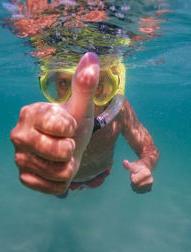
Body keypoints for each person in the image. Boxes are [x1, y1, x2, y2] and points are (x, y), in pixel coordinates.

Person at [10, 52, 159, 197]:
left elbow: (148, 149)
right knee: (58, 189)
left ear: (110, 86)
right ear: (53, 86)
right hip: (64, 179)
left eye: (97, 84)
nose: (77, 97)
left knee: (87, 185)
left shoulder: (119, 109)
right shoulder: (52, 115)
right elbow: (31, 131)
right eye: (63, 83)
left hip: (99, 176)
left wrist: (146, 165)